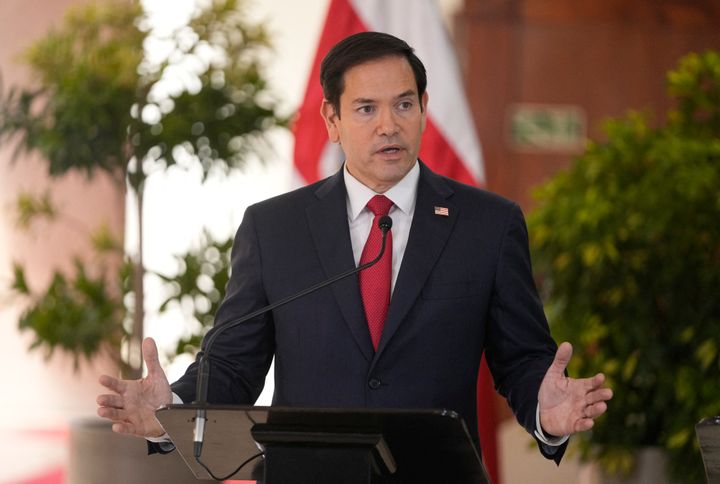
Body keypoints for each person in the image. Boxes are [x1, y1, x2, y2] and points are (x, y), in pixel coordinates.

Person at [97, 32, 612, 466]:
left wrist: (545, 411)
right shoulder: (274, 227)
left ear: (425, 109)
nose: (389, 125)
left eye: (404, 105)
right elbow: (233, 365)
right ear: (332, 119)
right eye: (366, 108)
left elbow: (521, 358)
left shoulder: (489, 225)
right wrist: (173, 409)